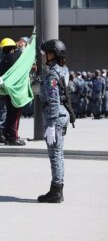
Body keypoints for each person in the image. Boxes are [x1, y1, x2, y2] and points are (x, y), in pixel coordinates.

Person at [38, 39, 72, 203]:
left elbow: (53, 100)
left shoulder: (52, 73)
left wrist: (50, 125)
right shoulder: (62, 70)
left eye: (46, 53)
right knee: (58, 154)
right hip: (62, 115)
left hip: (55, 117)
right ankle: (56, 188)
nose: (44, 56)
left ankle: (56, 191)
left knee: (55, 154)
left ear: (53, 54)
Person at [0, 38, 26, 146]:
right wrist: (21, 48)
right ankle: (13, 137)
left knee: (10, 113)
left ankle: (7, 135)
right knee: (15, 114)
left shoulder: (3, 59)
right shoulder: (15, 56)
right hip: (15, 91)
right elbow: (24, 57)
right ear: (13, 48)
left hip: (6, 91)